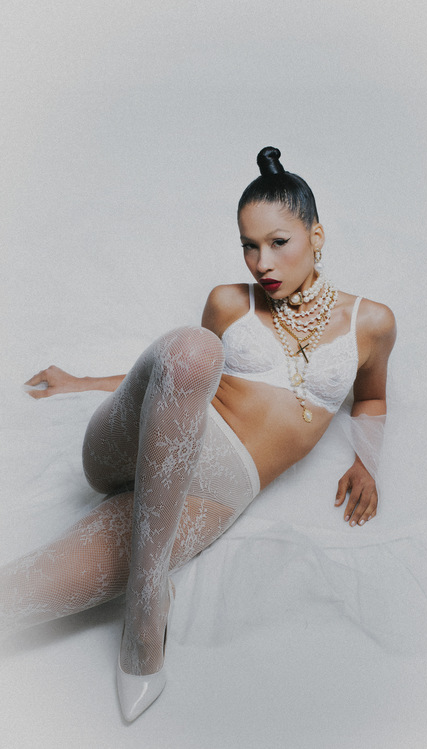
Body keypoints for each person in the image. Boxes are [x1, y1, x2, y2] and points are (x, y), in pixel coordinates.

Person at [0, 146, 396, 722]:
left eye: (278, 242)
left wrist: (367, 462)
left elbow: (373, 397)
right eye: (249, 246)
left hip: (215, 488)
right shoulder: (228, 302)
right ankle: (145, 611)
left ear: (316, 236)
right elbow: (173, 382)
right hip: (131, 444)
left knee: (13, 601)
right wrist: (81, 383)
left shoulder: (372, 322)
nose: (262, 263)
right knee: (193, 348)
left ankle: (147, 582)